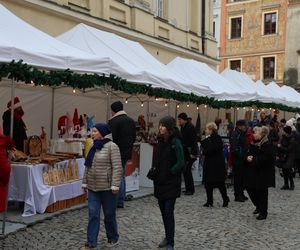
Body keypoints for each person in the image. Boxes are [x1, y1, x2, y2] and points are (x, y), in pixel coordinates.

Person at [82, 123, 122, 249]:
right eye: (92, 131)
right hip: (93, 188)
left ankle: (113, 237)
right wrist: (84, 182)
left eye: (94, 131)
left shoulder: (112, 147)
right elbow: (87, 166)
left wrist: (115, 185)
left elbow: (117, 167)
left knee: (109, 215)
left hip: (108, 189)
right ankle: (91, 242)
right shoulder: (93, 147)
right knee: (93, 215)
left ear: (102, 132)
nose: (92, 134)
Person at [152, 116, 184, 250]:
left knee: (168, 212)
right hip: (160, 182)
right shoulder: (160, 141)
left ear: (169, 128)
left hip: (171, 182)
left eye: (163, 125)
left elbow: (181, 162)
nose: (160, 127)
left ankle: (171, 242)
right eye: (160, 125)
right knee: (163, 213)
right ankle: (167, 236)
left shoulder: (176, 142)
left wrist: (171, 171)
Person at [108, 101, 136, 208]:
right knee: (122, 175)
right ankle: (121, 199)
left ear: (114, 110)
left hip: (116, 152)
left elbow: (111, 138)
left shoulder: (113, 121)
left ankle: (117, 200)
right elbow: (133, 137)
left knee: (117, 175)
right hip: (127, 151)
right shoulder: (131, 121)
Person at [246, 126, 275, 220]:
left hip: (263, 172)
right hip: (254, 170)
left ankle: (263, 212)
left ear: (262, 134)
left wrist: (254, 159)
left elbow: (266, 159)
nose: (253, 134)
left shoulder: (267, 144)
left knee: (262, 192)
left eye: (255, 133)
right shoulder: (254, 143)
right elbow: (249, 153)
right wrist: (248, 157)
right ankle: (258, 206)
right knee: (250, 188)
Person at [201, 122, 230, 207]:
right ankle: (209, 201)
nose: (205, 130)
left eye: (207, 129)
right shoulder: (208, 138)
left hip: (216, 164)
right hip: (210, 163)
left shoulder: (217, 138)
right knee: (208, 183)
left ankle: (225, 199)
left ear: (211, 130)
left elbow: (213, 149)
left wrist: (205, 151)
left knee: (220, 183)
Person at [177, 112, 198, 195]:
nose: (179, 121)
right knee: (185, 171)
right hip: (185, 151)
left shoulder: (190, 127)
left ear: (184, 120)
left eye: (180, 119)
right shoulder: (183, 127)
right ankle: (188, 188)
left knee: (187, 170)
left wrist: (193, 153)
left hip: (190, 152)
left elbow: (194, 141)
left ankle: (190, 189)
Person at [230, 120, 248, 202]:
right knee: (238, 178)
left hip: (243, 159)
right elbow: (234, 148)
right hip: (238, 160)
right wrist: (241, 156)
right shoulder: (235, 134)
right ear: (239, 126)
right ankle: (237, 195)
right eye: (244, 125)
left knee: (242, 178)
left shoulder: (242, 133)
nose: (246, 127)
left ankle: (241, 193)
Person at [0, 126, 15, 212]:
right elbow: (12, 145)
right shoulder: (5, 139)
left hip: (2, 165)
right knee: (2, 186)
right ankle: (1, 208)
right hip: (4, 166)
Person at [278, 126, 296, 190]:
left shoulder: (292, 139)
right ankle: (286, 184)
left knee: (288, 170)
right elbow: (281, 144)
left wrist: (280, 147)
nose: (283, 132)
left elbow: (289, 149)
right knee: (284, 170)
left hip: (290, 156)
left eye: (284, 131)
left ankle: (292, 184)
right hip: (283, 156)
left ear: (287, 132)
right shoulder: (284, 137)